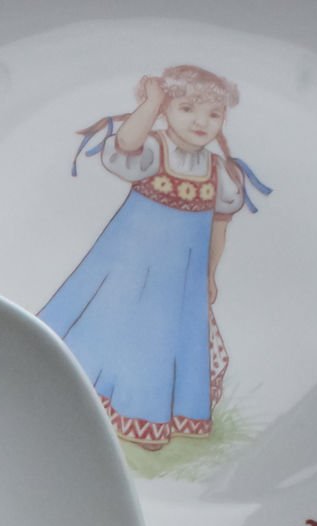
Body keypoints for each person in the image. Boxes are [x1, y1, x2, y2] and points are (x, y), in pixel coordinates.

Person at [39, 66, 266, 450]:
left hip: (178, 280)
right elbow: (125, 145)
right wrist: (151, 102)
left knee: (162, 341)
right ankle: (63, 397)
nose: (201, 122)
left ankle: (145, 420)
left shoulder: (219, 172)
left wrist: (210, 274)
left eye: (213, 114)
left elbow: (219, 226)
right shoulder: (152, 150)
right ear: (166, 110)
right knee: (108, 326)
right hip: (125, 268)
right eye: (187, 108)